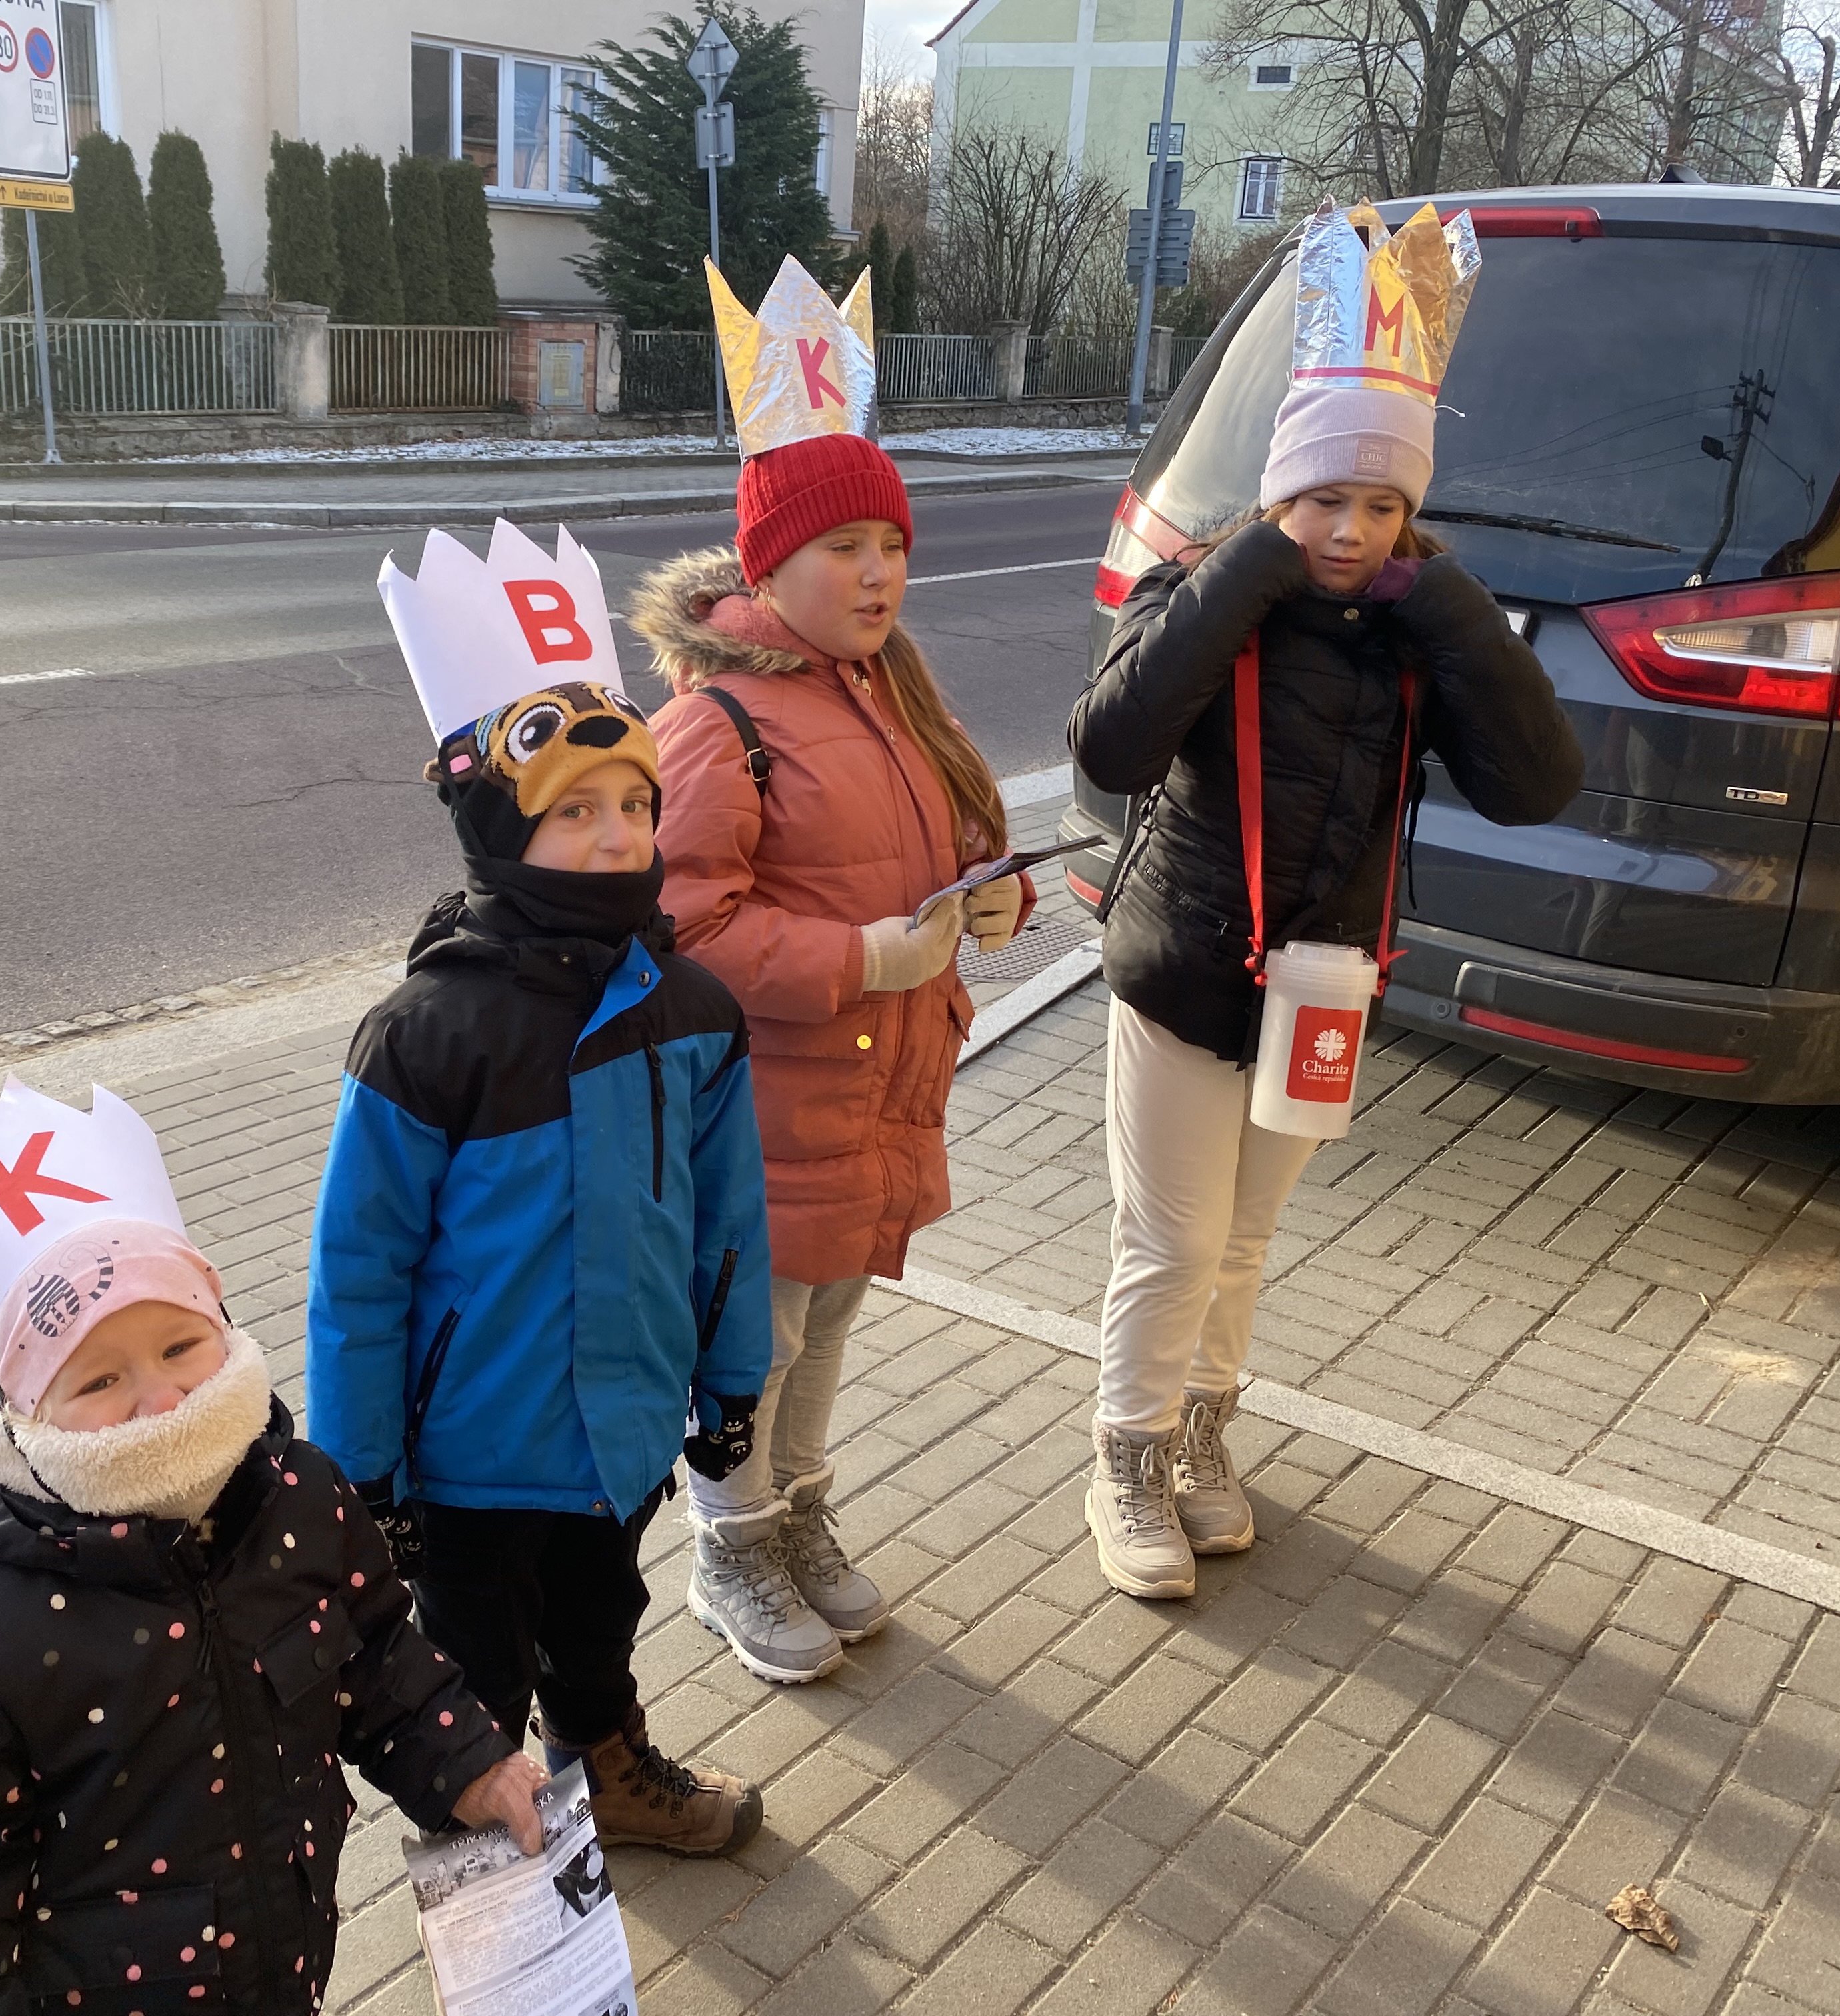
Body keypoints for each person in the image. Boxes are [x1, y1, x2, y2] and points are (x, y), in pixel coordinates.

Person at [1068, 201, 1584, 1601]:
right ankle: (1123, 1455)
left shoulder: (1418, 629)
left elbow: (1537, 783)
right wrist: (1248, 564)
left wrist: (1456, 605)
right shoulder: (1208, 587)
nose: (1349, 530)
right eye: (1323, 499)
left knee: (1242, 1240)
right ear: (1281, 490)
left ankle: (1200, 1434)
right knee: (1170, 1242)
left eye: (1381, 505)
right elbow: (1110, 749)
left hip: (1318, 990)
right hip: (1183, 972)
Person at [0, 1081, 544, 2013]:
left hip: (281, 1957)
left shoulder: (296, 1498)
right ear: (23, 1412)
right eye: (97, 1377)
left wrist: (474, 1767)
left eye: (180, 1347)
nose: (160, 1401)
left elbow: (375, 1662)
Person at [306, 520, 774, 1855]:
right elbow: (358, 1274)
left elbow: (729, 1223)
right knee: (467, 1681)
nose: (619, 834)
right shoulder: (427, 1035)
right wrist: (362, 1473)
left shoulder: (692, 1007)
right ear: (500, 824)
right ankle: (489, 1883)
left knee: (598, 1620)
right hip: (467, 1463)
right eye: (576, 812)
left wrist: (733, 1384)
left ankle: (608, 1770)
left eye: (634, 805)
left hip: (619, 1431)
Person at [631, 256, 1033, 1686]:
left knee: (828, 1327)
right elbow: (678, 931)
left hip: (870, 1104)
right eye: (845, 548)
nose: (879, 574)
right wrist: (863, 957)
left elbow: (961, 832)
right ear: (767, 564)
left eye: (895, 546)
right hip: (768, 1116)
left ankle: (798, 1513)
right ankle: (728, 1543)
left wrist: (998, 898)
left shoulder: (884, 689)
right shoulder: (716, 721)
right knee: (751, 1344)